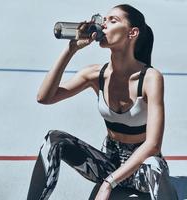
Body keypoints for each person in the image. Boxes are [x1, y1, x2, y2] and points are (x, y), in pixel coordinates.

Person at [27, 4, 178, 200]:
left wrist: (109, 183)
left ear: (132, 33)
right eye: (104, 20)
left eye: (113, 20)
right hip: (108, 162)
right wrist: (71, 49)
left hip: (141, 167)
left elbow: (153, 145)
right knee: (53, 139)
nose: (103, 25)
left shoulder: (150, 78)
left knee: (155, 165)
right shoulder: (95, 74)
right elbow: (44, 97)